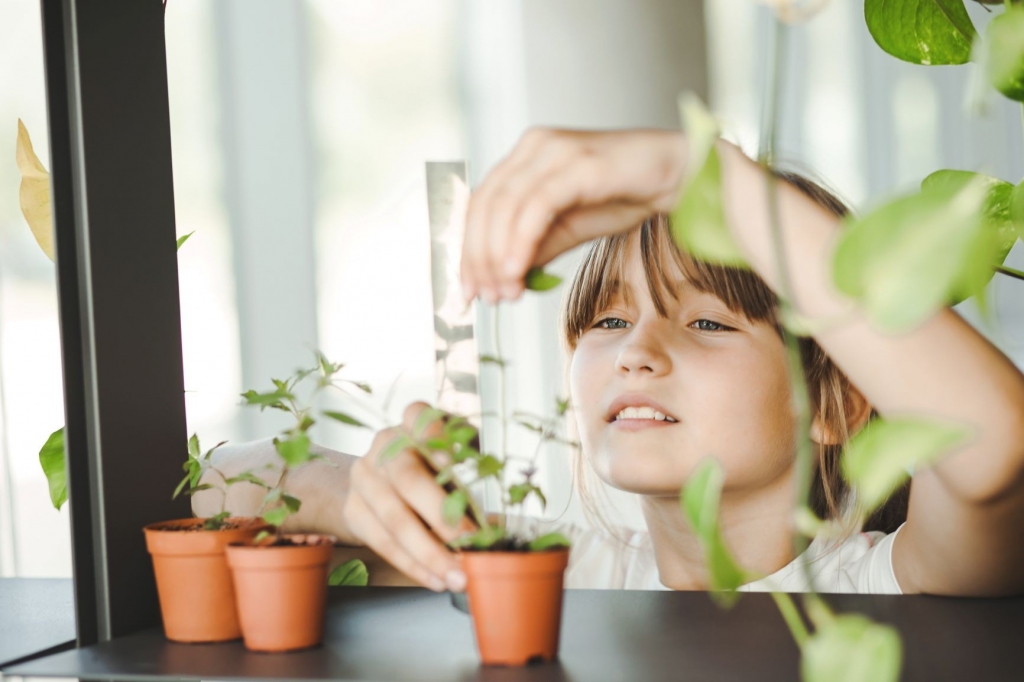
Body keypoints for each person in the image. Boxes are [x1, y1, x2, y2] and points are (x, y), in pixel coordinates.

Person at [195, 129, 1024, 597]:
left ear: (837, 402)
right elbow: (209, 484)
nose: (635, 351)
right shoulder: (560, 575)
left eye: (707, 320)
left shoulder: (890, 583)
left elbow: (993, 442)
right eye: (610, 319)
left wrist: (702, 174)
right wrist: (354, 492)